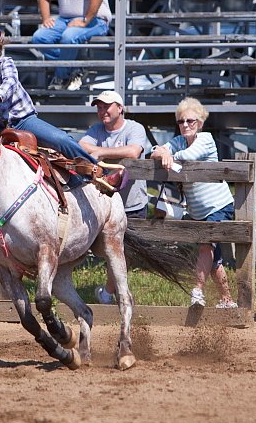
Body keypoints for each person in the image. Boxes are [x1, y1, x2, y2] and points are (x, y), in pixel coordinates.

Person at [0, 21, 124, 246]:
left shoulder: (6, 64)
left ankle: (97, 173)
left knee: (61, 139)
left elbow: (10, 84)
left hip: (22, 122)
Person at [150, 97, 238, 309]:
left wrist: (167, 154)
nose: (185, 125)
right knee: (213, 258)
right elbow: (154, 151)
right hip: (199, 212)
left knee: (205, 247)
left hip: (218, 206)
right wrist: (161, 151)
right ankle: (227, 301)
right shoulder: (179, 141)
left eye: (190, 121)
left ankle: (197, 291)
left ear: (200, 122)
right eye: (181, 122)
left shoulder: (206, 139)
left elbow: (189, 156)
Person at [78, 90, 149, 304]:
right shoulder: (96, 129)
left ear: (120, 108)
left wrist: (100, 152)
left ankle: (111, 292)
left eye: (106, 106)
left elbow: (134, 152)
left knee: (124, 252)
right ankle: (117, 294)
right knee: (113, 250)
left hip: (131, 203)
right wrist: (102, 151)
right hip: (107, 206)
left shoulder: (135, 128)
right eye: (99, 107)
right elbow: (81, 146)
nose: (102, 111)